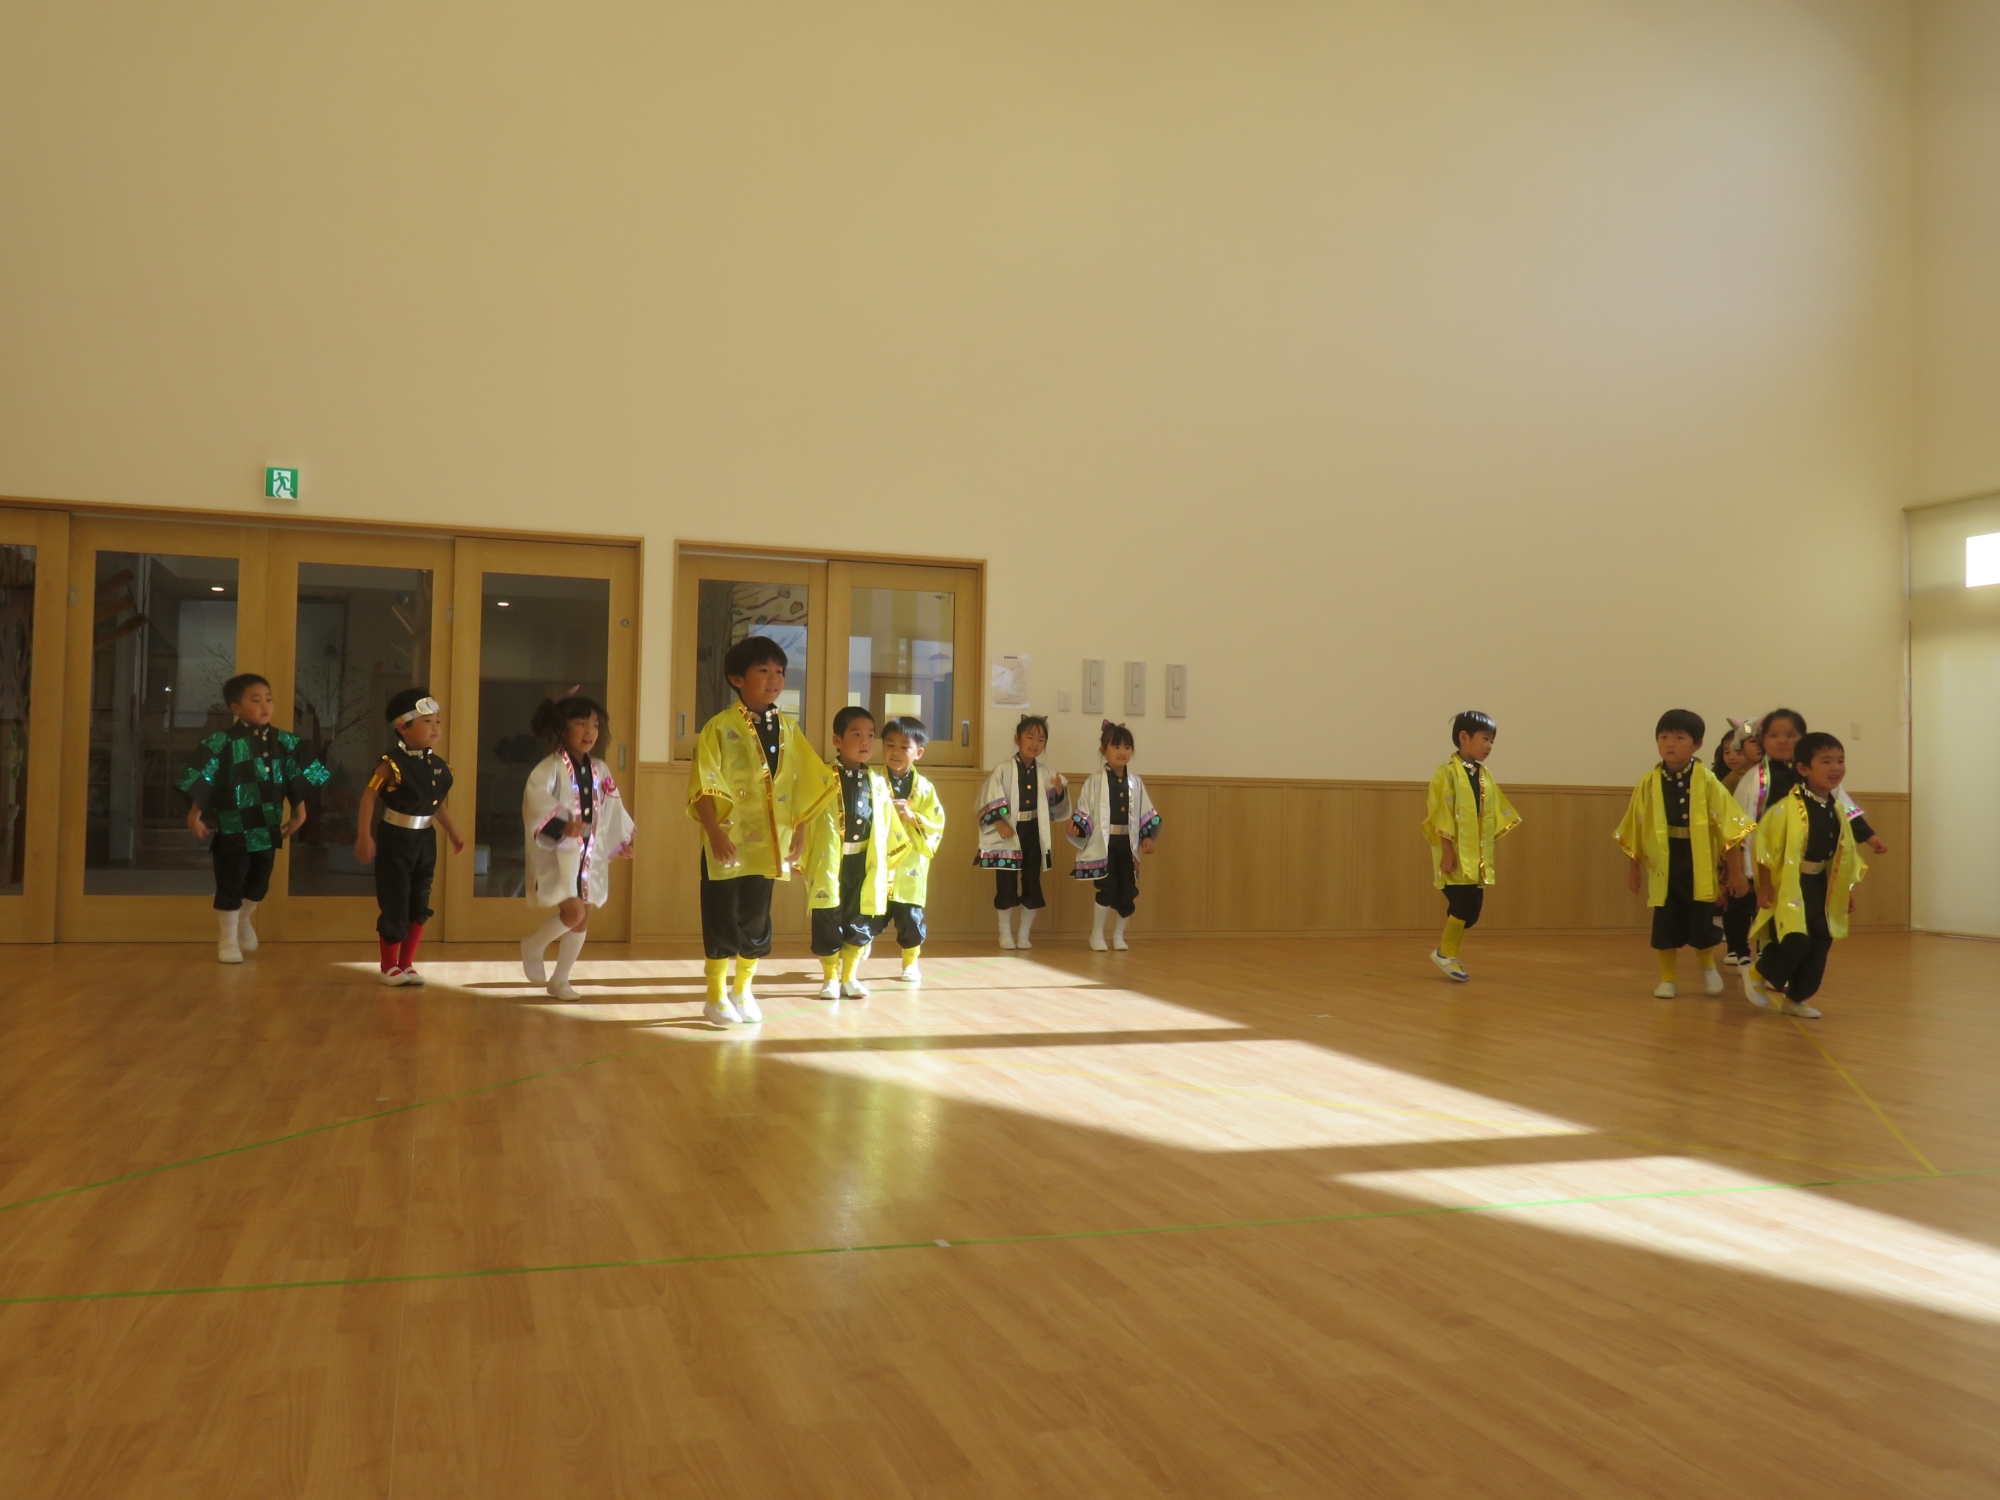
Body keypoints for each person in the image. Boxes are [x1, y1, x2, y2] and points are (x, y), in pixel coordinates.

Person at [687, 636, 835, 1025]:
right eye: (764, 671)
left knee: (756, 918)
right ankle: (715, 995)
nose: (774, 679)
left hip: (771, 845)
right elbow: (702, 785)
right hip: (727, 842)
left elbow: (807, 781)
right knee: (721, 916)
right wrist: (714, 833)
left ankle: (743, 989)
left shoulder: (789, 728)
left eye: (780, 672)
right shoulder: (718, 728)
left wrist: (799, 831)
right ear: (737, 678)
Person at [177, 672, 330, 963]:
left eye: (268, 699)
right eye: (256, 700)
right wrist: (195, 814)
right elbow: (203, 777)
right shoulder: (220, 742)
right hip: (233, 825)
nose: (264, 706)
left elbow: (299, 778)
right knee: (230, 880)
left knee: (259, 884)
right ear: (236, 708)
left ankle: (244, 919)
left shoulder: (285, 741)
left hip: (268, 823)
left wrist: (300, 812)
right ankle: (227, 938)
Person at [1616, 709, 1755, 998]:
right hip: (1664, 860)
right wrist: (1634, 868)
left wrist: (1736, 871)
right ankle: (1668, 978)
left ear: (1697, 744)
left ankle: (1707, 966)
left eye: (1680, 738)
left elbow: (1729, 827)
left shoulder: (1708, 781)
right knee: (1665, 920)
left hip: (1698, 860)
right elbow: (1634, 826)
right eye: (1664, 737)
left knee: (1701, 919)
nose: (1670, 744)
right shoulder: (1648, 782)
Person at [1742, 732, 1867, 1019]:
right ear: (1803, 768)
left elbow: (1845, 856)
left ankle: (1796, 998)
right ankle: (1758, 972)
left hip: (1821, 885)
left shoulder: (1837, 810)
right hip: (1791, 884)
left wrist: (1845, 891)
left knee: (1821, 939)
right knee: (1796, 938)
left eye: (1840, 760)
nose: (1835, 767)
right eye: (1826, 761)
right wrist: (1765, 887)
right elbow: (1765, 846)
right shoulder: (1784, 809)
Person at [519, 694, 634, 1002]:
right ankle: (533, 945)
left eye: (594, 724)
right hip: (561, 853)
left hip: (589, 854)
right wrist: (561, 826)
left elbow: (612, 807)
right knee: (573, 912)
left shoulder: (600, 769)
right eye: (581, 723)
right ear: (562, 728)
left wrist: (620, 841)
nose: (590, 731)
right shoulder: (550, 768)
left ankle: (560, 979)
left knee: (583, 916)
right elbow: (534, 803)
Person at [354, 688, 465, 986]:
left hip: (424, 839)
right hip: (395, 838)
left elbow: (435, 803)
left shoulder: (438, 766)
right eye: (427, 722)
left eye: (437, 722)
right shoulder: (390, 763)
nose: (435, 728)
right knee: (395, 899)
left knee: (420, 900)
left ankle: (407, 963)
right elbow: (368, 797)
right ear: (403, 727)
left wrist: (453, 830)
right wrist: (364, 835)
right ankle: (388, 965)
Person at [1421, 710, 1520, 982]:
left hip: (1475, 855)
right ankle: (1445, 953)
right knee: (1463, 904)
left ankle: (1449, 954)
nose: (1489, 746)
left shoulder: (1484, 775)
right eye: (1485, 739)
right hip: (1454, 853)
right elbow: (1441, 813)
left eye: (1492, 741)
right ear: (1464, 737)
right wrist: (1446, 851)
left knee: (1472, 910)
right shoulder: (1447, 773)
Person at [806, 706, 895, 1001]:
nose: (865, 741)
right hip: (831, 860)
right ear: (838, 740)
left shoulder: (878, 782)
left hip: (863, 862)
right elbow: (805, 816)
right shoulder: (822, 778)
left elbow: (887, 825)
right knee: (827, 915)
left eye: (870, 735)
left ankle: (850, 977)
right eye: (856, 734)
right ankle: (829, 978)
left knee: (860, 917)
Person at [976, 714, 1069, 950]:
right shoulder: (1003, 769)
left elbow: (1055, 806)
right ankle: (1005, 933)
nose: (1035, 743)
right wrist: (999, 822)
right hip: (1008, 832)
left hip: (1033, 832)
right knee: (1006, 882)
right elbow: (988, 796)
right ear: (1018, 739)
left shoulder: (1045, 773)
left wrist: (1058, 791)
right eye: (1030, 737)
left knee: (1032, 881)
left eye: (1041, 739)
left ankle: (1024, 933)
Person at [1067, 720, 1162, 950]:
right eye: (1116, 746)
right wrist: (1078, 827)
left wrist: (1147, 836)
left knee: (1128, 891)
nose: (1122, 752)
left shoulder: (1135, 783)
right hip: (1104, 843)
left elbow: (1145, 812)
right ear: (1103, 750)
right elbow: (1085, 809)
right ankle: (1097, 934)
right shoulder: (1094, 781)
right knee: (1107, 887)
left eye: (1127, 747)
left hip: (1127, 844)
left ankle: (1118, 935)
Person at [882, 716, 946, 985]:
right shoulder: (872, 780)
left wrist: (912, 817)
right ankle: (857, 951)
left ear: (918, 752)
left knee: (910, 917)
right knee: (867, 914)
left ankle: (910, 962)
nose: (895, 752)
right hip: (878, 862)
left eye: (904, 747)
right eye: (889, 745)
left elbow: (936, 823)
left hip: (910, 865)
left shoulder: (925, 789)